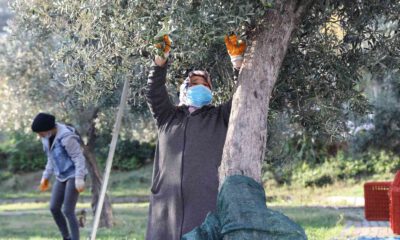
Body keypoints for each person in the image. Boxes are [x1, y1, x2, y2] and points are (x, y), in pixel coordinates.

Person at [145, 34, 246, 240]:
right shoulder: (167, 117)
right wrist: (160, 60)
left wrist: (238, 64)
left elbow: (242, 95)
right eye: (194, 82)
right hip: (165, 208)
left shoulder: (219, 118)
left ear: (211, 91)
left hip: (204, 206)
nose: (200, 86)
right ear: (184, 89)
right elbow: (153, 91)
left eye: (204, 84)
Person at [31, 113, 88, 240]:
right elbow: (51, 158)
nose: (39, 135)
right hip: (61, 175)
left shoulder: (67, 137)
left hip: (74, 174)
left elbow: (79, 158)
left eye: (40, 132)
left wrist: (79, 178)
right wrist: (45, 177)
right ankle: (66, 237)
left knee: (68, 210)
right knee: (54, 208)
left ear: (49, 129)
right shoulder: (46, 138)